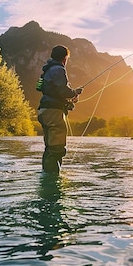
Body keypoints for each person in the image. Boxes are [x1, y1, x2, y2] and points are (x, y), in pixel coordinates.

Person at [37, 45, 83, 174]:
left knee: (50, 148)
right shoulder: (58, 69)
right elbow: (64, 91)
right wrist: (75, 92)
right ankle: (52, 182)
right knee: (56, 149)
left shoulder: (48, 70)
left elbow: (55, 92)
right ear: (65, 58)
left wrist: (69, 98)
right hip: (53, 113)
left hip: (45, 111)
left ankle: (46, 176)